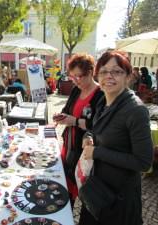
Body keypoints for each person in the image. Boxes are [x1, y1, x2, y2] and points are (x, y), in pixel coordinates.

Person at [79, 51, 153, 225]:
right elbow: (95, 130)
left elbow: (144, 162)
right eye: (104, 71)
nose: (109, 76)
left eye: (117, 71)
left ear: (128, 76)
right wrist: (88, 137)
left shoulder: (136, 111)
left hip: (118, 199)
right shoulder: (103, 101)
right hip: (97, 188)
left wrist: (97, 152)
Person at [53, 53, 103, 206]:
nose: (75, 80)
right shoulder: (76, 90)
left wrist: (74, 121)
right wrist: (60, 116)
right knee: (64, 190)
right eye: (72, 76)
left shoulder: (100, 94)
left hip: (83, 152)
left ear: (90, 72)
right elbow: (67, 109)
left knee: (78, 188)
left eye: (79, 76)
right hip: (68, 146)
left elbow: (97, 125)